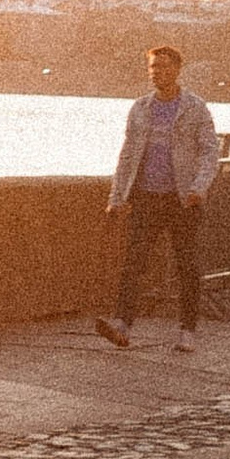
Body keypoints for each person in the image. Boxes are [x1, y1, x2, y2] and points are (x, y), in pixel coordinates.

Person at [96, 45, 219, 354]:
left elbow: (209, 151)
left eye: (163, 67)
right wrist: (117, 196)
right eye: (152, 67)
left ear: (177, 69)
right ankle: (122, 324)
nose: (157, 73)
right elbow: (127, 156)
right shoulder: (140, 108)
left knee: (186, 265)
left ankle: (187, 330)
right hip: (146, 196)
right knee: (133, 262)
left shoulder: (195, 108)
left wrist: (198, 187)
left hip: (182, 199)